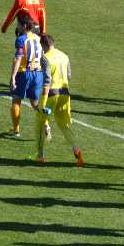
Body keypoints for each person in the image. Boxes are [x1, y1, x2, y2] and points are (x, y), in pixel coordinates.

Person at [34, 33, 84, 166]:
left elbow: (47, 80)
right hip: (65, 94)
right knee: (64, 125)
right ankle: (76, 149)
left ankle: (40, 155)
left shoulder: (45, 58)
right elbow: (69, 75)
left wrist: (42, 103)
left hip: (51, 94)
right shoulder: (64, 56)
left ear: (43, 44)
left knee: (40, 123)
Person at [6, 15, 49, 137]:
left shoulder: (21, 39)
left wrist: (13, 76)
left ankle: (16, 131)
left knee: (16, 100)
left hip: (24, 73)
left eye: (18, 24)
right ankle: (46, 124)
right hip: (38, 73)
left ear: (24, 25)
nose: (17, 26)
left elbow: (18, 59)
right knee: (35, 103)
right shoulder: (38, 38)